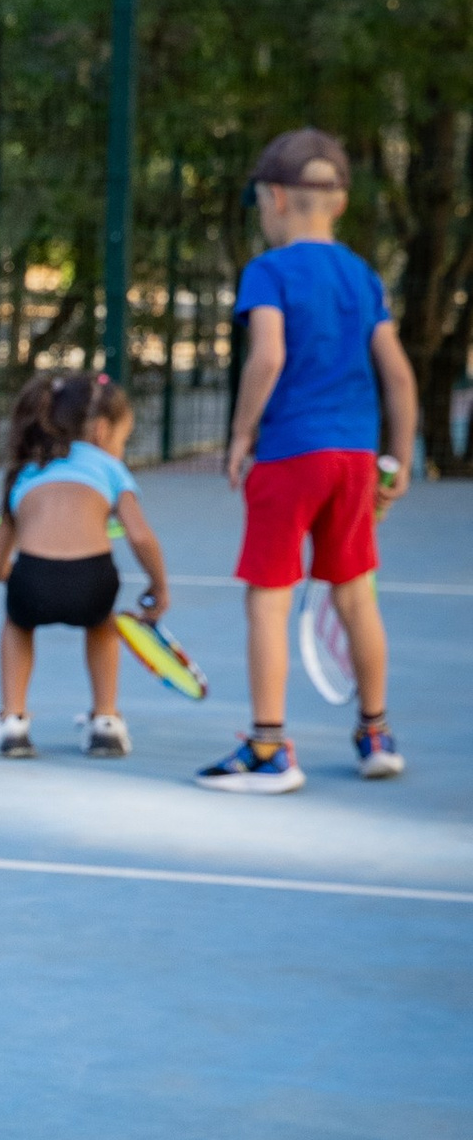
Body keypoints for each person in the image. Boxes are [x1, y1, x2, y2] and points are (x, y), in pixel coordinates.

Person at [198, 127, 417, 792]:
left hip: (291, 454)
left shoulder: (268, 271)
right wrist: (399, 459)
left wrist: (241, 434)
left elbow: (268, 356)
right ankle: (375, 734)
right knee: (355, 594)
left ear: (274, 197)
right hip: (355, 458)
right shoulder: (362, 275)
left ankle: (269, 749)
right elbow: (399, 376)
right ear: (340, 202)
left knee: (268, 600)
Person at [0, 371, 171, 760]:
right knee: (102, 624)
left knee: (18, 623)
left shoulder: (26, 471)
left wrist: (31, 576)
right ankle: (106, 722)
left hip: (32, 578)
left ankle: (12, 721)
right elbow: (140, 536)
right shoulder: (110, 469)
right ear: (101, 431)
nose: (120, 448)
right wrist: (159, 586)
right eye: (122, 439)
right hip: (93, 579)